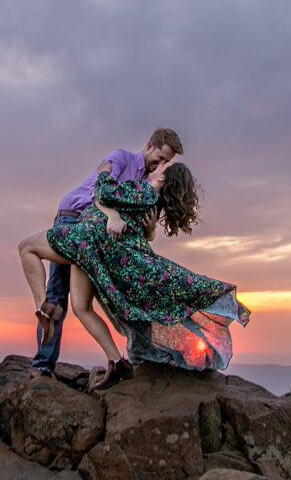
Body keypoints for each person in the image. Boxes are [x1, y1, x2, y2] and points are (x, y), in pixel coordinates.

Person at [18, 160, 250, 390]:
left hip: (87, 238)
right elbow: (140, 231)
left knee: (27, 247)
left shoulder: (144, 190)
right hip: (95, 249)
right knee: (82, 308)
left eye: (162, 168)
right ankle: (117, 362)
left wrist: (104, 173)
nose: (156, 169)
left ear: (164, 178)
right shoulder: (153, 204)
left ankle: (43, 308)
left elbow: (105, 192)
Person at [26, 128, 184, 379]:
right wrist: (112, 214)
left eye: (166, 162)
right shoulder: (121, 158)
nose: (161, 164)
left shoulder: (147, 184)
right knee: (57, 296)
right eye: (161, 157)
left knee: (89, 303)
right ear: (150, 144)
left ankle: (120, 360)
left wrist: (151, 227)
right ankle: (42, 366)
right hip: (74, 218)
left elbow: (140, 230)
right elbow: (97, 192)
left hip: (98, 236)